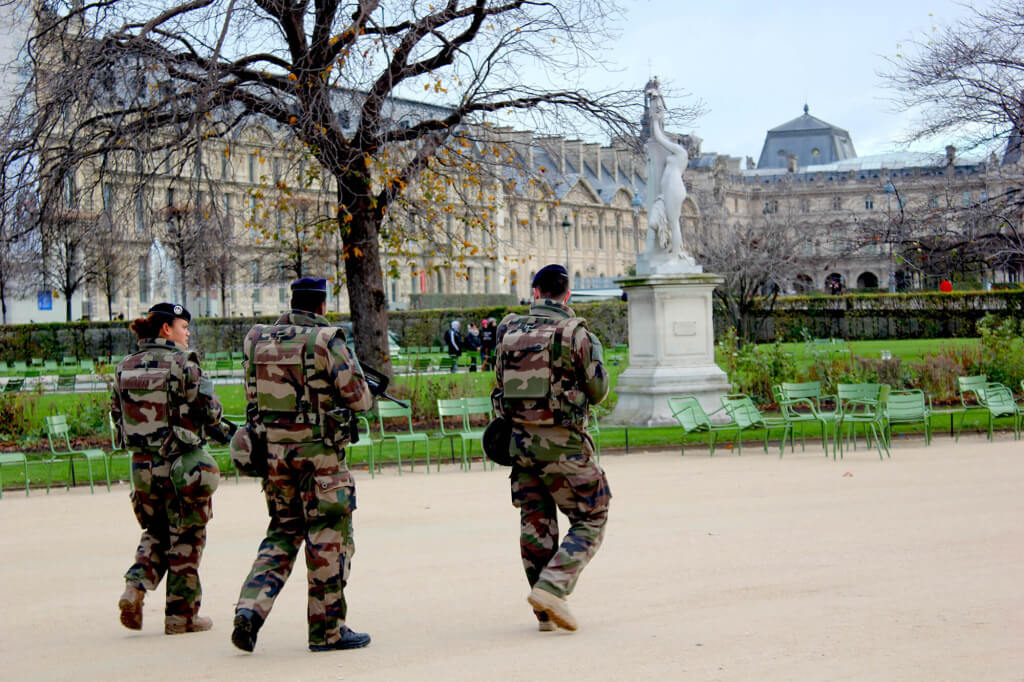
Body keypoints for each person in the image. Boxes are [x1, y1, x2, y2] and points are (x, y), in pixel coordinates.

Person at [231, 277, 374, 654]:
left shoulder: (257, 339)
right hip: (321, 460)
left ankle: (249, 610)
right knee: (327, 538)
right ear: (322, 306)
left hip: (276, 457)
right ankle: (327, 631)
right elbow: (360, 400)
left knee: (282, 533)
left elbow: (251, 396)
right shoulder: (327, 340)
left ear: (292, 301)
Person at [492, 264, 611, 632]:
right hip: (563, 445)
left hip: (518, 442)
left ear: (535, 292)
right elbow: (599, 391)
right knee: (592, 514)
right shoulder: (575, 333)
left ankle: (543, 614)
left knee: (536, 525)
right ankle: (552, 589)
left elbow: (498, 382)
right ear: (567, 295)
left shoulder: (507, 330)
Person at [111, 302, 224, 635]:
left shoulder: (125, 367)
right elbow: (210, 412)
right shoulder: (184, 365)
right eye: (183, 326)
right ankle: (181, 615)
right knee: (188, 536)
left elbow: (118, 416)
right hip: (180, 466)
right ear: (166, 329)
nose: (187, 332)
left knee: (156, 531)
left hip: (141, 468)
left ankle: (135, 587)